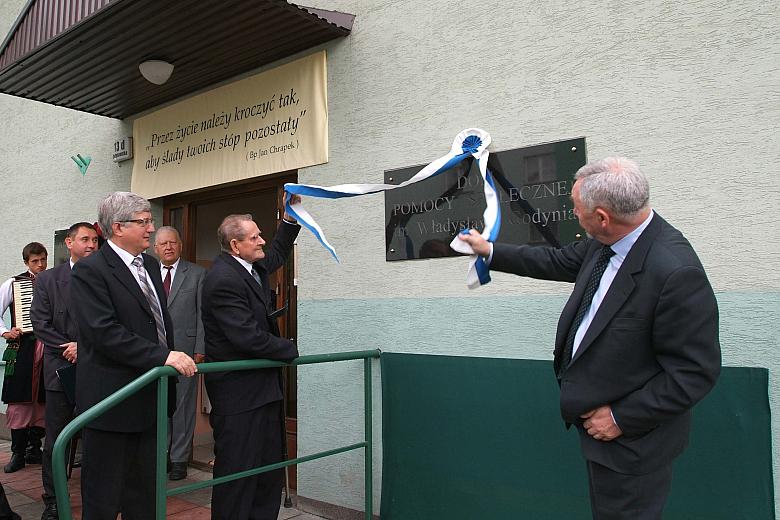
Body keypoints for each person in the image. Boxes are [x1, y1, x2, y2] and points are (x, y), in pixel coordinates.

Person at [458, 157, 721, 519]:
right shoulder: (605, 242)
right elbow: (558, 261)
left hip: (632, 441)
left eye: (576, 209)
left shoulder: (675, 272)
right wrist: (490, 251)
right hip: (596, 431)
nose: (573, 213)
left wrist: (620, 417)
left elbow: (694, 373)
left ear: (602, 217)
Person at [70, 192, 197, 519]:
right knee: (104, 501)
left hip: (151, 402)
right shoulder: (91, 271)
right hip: (112, 404)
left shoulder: (151, 265)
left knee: (146, 500)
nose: (151, 228)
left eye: (149, 221)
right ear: (117, 227)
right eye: (143, 222)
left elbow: (157, 320)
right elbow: (104, 332)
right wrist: (162, 356)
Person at [202, 205, 300, 520]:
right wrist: (290, 348)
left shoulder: (249, 266)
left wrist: (289, 220)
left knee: (267, 472)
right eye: (255, 237)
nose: (262, 242)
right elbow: (245, 337)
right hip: (239, 397)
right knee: (239, 476)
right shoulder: (222, 279)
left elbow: (275, 256)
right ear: (235, 245)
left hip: (263, 392)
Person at [30, 222, 98, 520]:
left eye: (95, 240)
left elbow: (111, 323)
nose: (92, 245)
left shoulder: (105, 277)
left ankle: (99, 496)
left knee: (98, 438)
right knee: (57, 440)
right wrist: (69, 348)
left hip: (96, 368)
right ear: (69, 243)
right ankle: (54, 499)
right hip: (61, 369)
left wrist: (84, 346)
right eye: (85, 239)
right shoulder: (47, 280)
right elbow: (41, 324)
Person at [153, 226, 206, 481]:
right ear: (156, 249)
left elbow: (203, 315)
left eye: (172, 243)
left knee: (183, 407)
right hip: (155, 354)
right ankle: (162, 454)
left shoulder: (197, 274)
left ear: (180, 246)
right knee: (160, 405)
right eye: (163, 244)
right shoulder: (148, 275)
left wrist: (200, 349)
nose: (168, 247)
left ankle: (179, 459)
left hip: (187, 352)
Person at [0, 242, 48, 474]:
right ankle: (18, 452)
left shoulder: (53, 281)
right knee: (19, 400)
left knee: (44, 399)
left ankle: (34, 448)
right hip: (23, 348)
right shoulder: (14, 283)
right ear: (26, 262)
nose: (40, 265)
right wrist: (6, 332)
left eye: (42, 260)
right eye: (34, 261)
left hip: (48, 347)